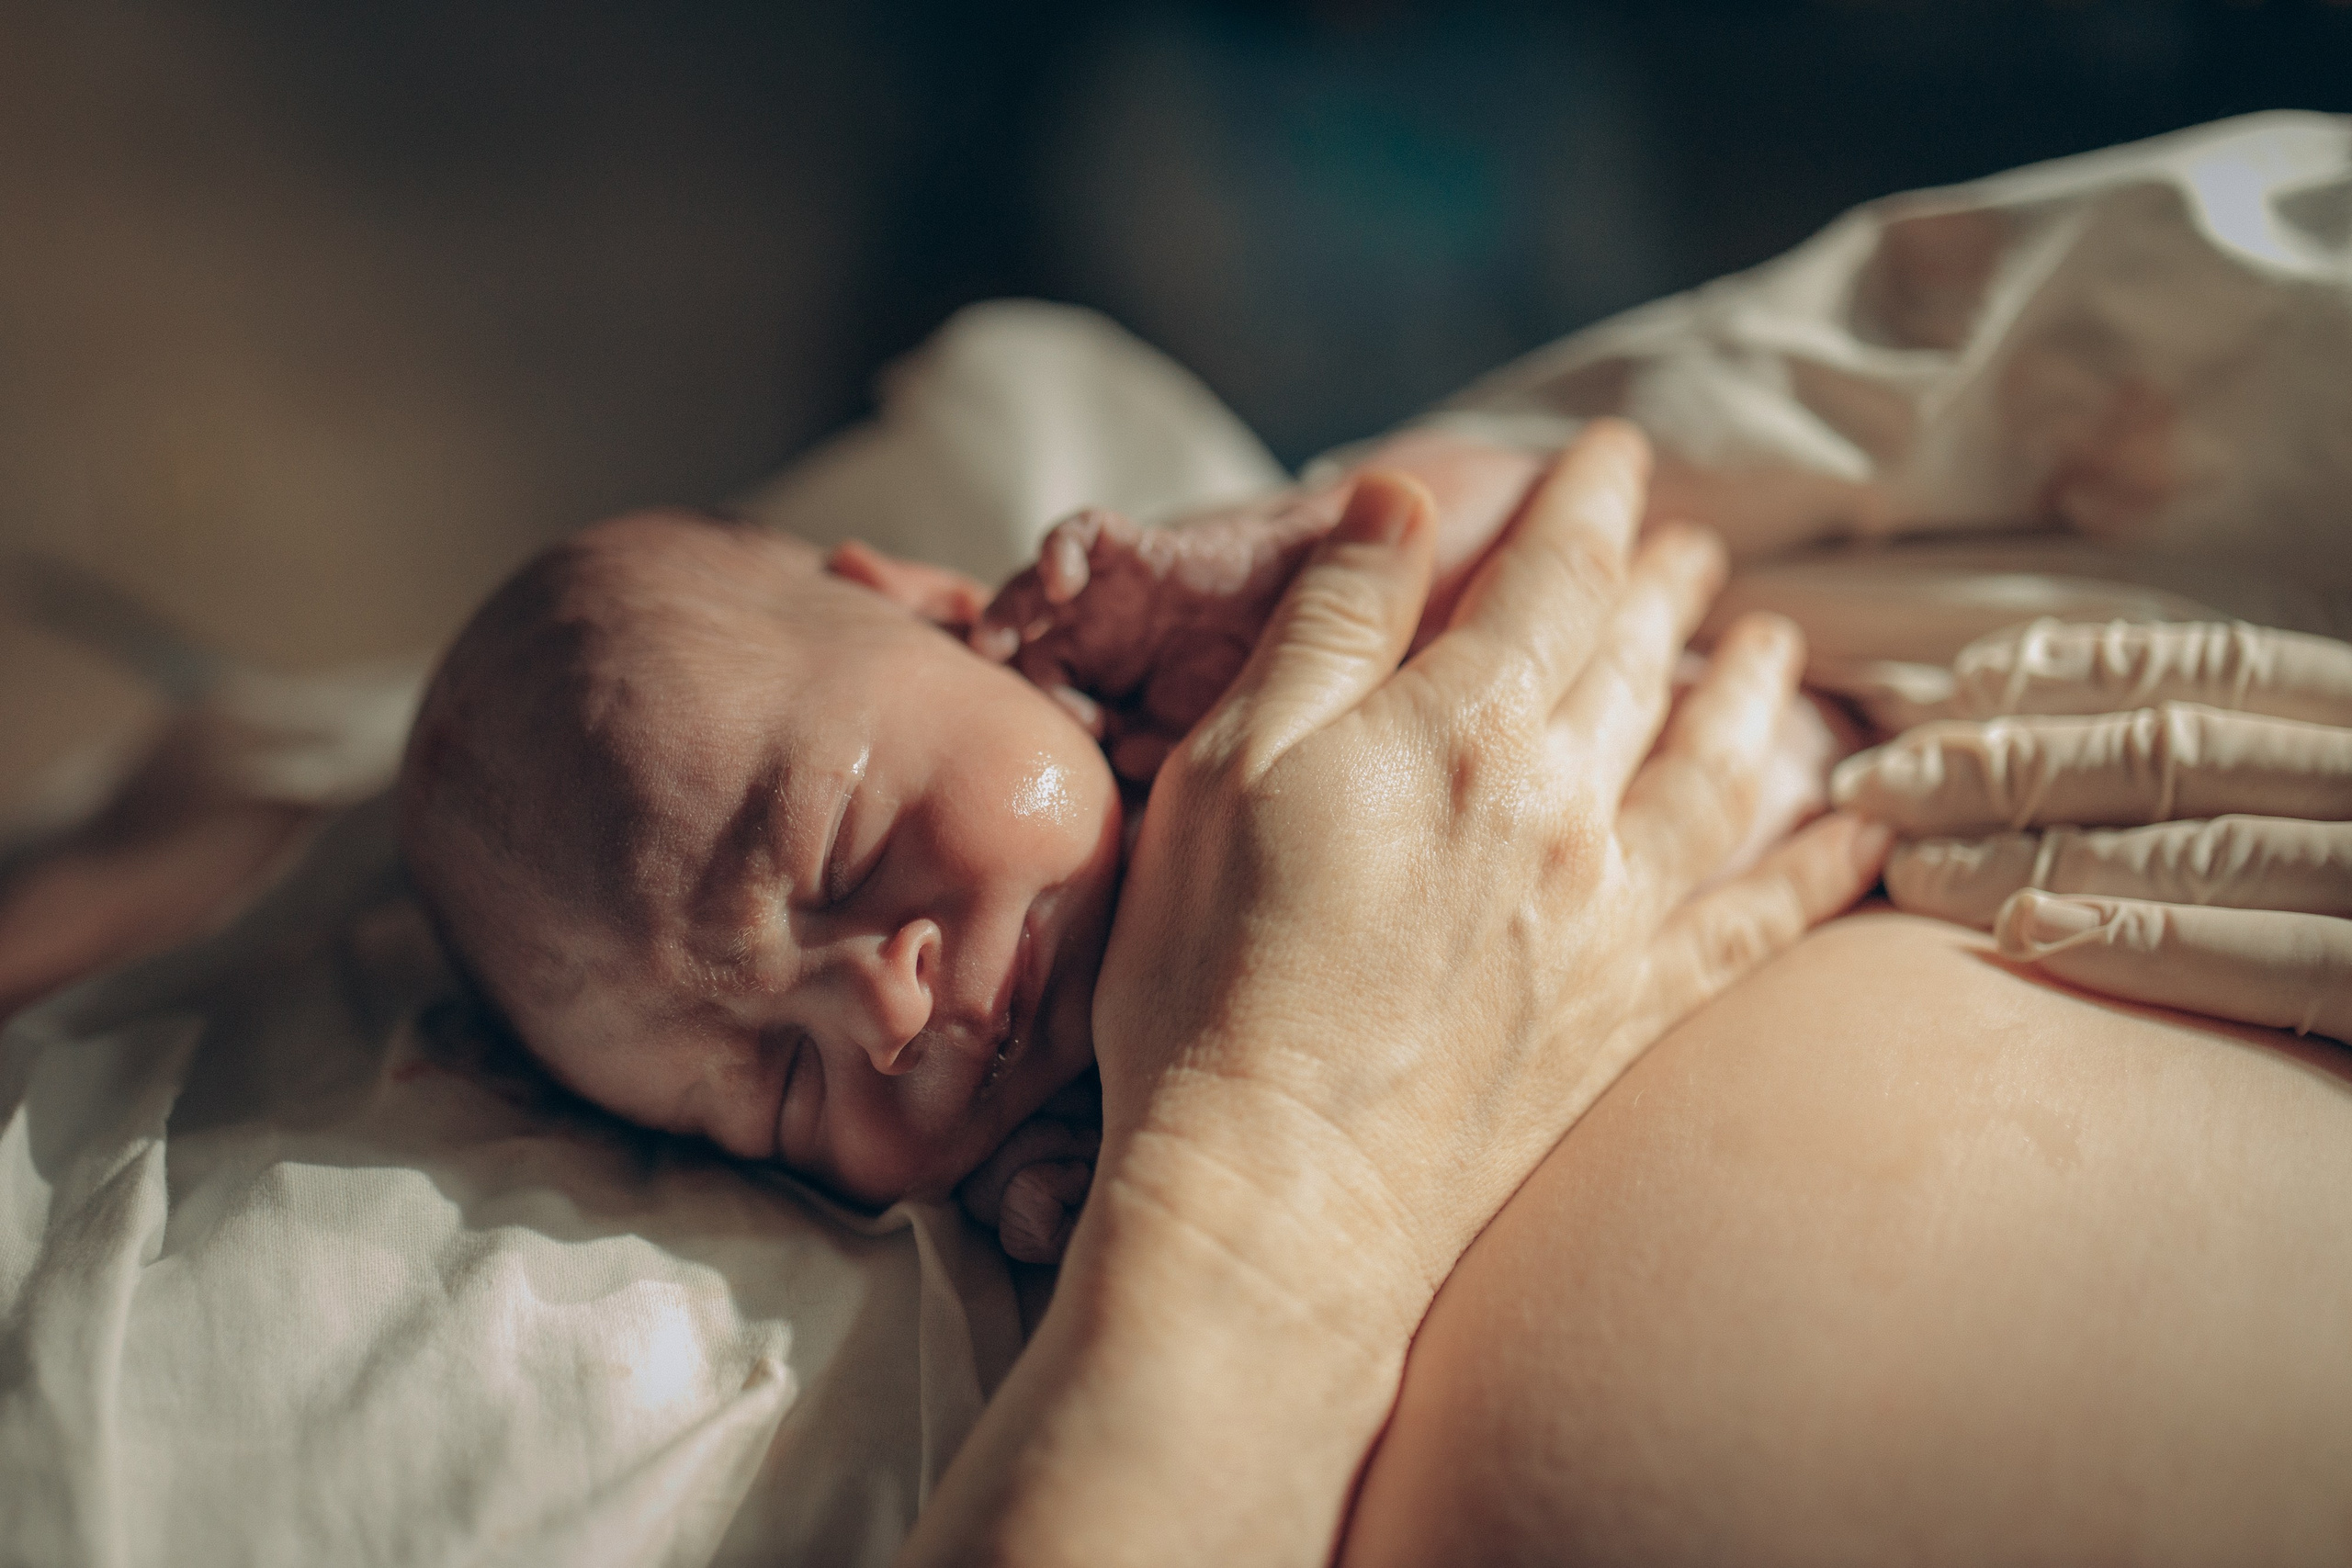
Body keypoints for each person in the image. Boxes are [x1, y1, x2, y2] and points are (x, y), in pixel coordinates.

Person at [392, 423, 1853, 1250]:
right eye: (781, 1089)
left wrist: (1293, 544)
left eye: (843, 852)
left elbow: (1534, 490)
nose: (886, 1009)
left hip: (1817, 727)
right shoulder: (1053, 1150)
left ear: (943, 611)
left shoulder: (1190, 656)